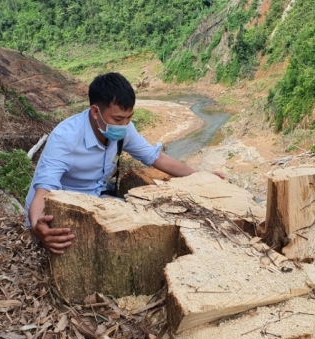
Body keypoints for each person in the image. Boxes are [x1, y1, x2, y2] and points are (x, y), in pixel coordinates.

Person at [26, 72, 212, 255]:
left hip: (96, 200)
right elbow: (44, 190)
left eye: (129, 117)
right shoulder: (65, 138)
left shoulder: (123, 128)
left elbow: (155, 157)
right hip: (63, 208)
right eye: (117, 119)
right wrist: (37, 225)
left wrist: (200, 176)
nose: (124, 125)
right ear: (95, 111)